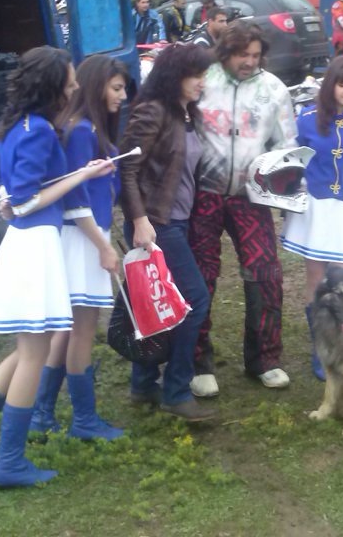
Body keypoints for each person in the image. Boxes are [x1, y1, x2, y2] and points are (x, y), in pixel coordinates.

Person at [0, 46, 115, 488]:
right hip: (34, 246)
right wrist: (81, 176)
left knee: (26, 352)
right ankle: (9, 461)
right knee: (33, 356)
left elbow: (11, 194)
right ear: (52, 86)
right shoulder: (39, 130)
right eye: (70, 80)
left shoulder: (16, 125)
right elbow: (24, 202)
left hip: (26, 244)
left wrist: (73, 176)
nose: (76, 86)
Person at [187, 23, 298, 397]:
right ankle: (198, 362)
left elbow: (286, 143)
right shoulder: (202, 81)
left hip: (250, 195)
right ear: (225, 52)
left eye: (255, 55)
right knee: (200, 275)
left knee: (265, 271)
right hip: (204, 192)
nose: (249, 62)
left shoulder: (274, 89)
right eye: (241, 55)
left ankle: (264, 358)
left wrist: (279, 179)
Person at [29, 56, 130, 440]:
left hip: (82, 238)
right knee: (81, 331)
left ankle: (42, 413)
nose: (122, 96)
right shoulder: (82, 131)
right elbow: (75, 200)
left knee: (69, 330)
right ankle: (83, 420)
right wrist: (103, 246)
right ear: (95, 86)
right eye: (116, 88)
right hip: (82, 239)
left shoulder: (85, 129)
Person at [118, 42, 218, 422]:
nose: (202, 82)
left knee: (151, 303)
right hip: (157, 223)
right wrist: (140, 220)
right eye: (196, 75)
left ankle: (143, 384)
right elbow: (127, 169)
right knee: (194, 300)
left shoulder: (186, 113)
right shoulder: (153, 110)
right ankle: (176, 390)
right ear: (175, 76)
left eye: (204, 75)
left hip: (177, 220)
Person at [281, 55, 343, 380]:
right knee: (316, 280)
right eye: (342, 85)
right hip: (317, 208)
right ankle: (320, 348)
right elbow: (293, 161)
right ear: (330, 87)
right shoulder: (307, 119)